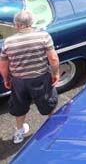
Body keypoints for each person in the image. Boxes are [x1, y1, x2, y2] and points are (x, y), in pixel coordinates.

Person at [0, 10, 59, 144]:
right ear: (31, 23)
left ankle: (19, 133)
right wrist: (56, 73)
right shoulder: (43, 36)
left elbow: (3, 65)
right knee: (48, 103)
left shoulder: (8, 42)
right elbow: (53, 58)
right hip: (40, 78)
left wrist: (6, 79)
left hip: (18, 81)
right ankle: (54, 129)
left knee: (19, 105)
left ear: (16, 25)